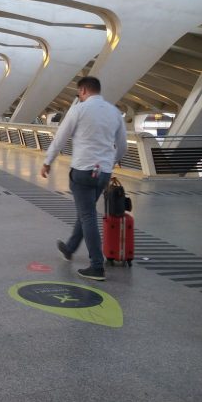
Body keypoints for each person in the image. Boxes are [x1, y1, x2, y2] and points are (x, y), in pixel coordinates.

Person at [40, 76, 127, 281]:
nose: (79, 96)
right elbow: (122, 145)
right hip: (103, 173)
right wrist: (110, 162)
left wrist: (47, 161)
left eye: (79, 93)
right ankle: (70, 248)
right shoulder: (115, 112)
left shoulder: (78, 110)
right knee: (85, 211)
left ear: (84, 91)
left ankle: (96, 266)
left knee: (87, 215)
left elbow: (61, 138)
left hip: (82, 171)